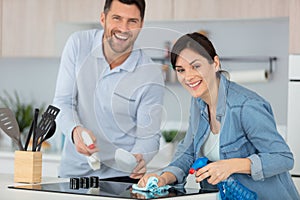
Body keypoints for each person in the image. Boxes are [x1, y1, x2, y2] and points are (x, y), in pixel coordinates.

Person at [138, 32, 300, 199]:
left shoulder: (246, 106)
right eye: (181, 70)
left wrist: (232, 165)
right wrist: (163, 178)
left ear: (215, 63)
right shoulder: (198, 102)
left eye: (196, 66)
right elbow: (187, 152)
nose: (188, 76)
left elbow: (283, 157)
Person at [53, 0, 164, 183]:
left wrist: (139, 157)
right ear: (103, 18)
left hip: (120, 177)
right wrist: (75, 131)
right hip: (73, 173)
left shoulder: (150, 73)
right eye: (117, 18)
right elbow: (62, 102)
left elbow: (149, 135)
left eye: (132, 21)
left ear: (141, 24)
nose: (123, 28)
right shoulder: (79, 44)